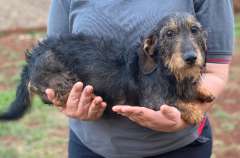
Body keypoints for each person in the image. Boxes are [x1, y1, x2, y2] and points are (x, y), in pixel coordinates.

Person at [46, 0, 234, 158]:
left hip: (179, 149)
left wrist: (184, 118)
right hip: (91, 148)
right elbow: (57, 60)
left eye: (193, 30)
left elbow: (213, 72)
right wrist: (69, 102)